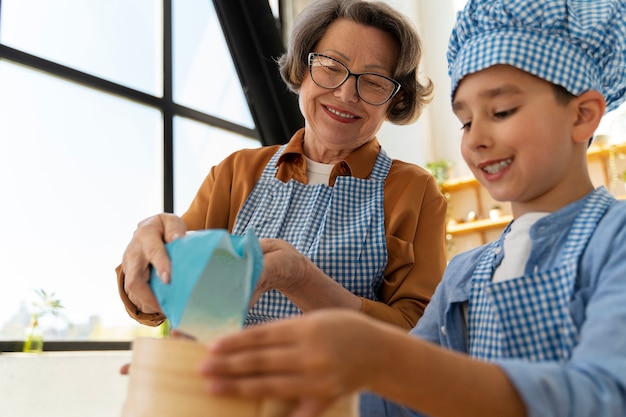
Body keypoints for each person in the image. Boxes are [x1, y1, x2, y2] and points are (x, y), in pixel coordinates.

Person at [197, 1, 626, 416]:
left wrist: (375, 352)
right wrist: (266, 390)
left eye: (502, 110)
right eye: (465, 121)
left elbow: (605, 397)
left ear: (582, 116)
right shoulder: (468, 273)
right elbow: (404, 403)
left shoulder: (615, 241)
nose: (475, 140)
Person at [116, 0, 448, 332]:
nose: (347, 93)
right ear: (302, 71)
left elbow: (421, 333)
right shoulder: (235, 173)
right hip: (223, 381)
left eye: (374, 81)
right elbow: (161, 293)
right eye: (331, 66)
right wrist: (146, 267)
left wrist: (301, 279)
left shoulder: (415, 191)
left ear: (395, 100)